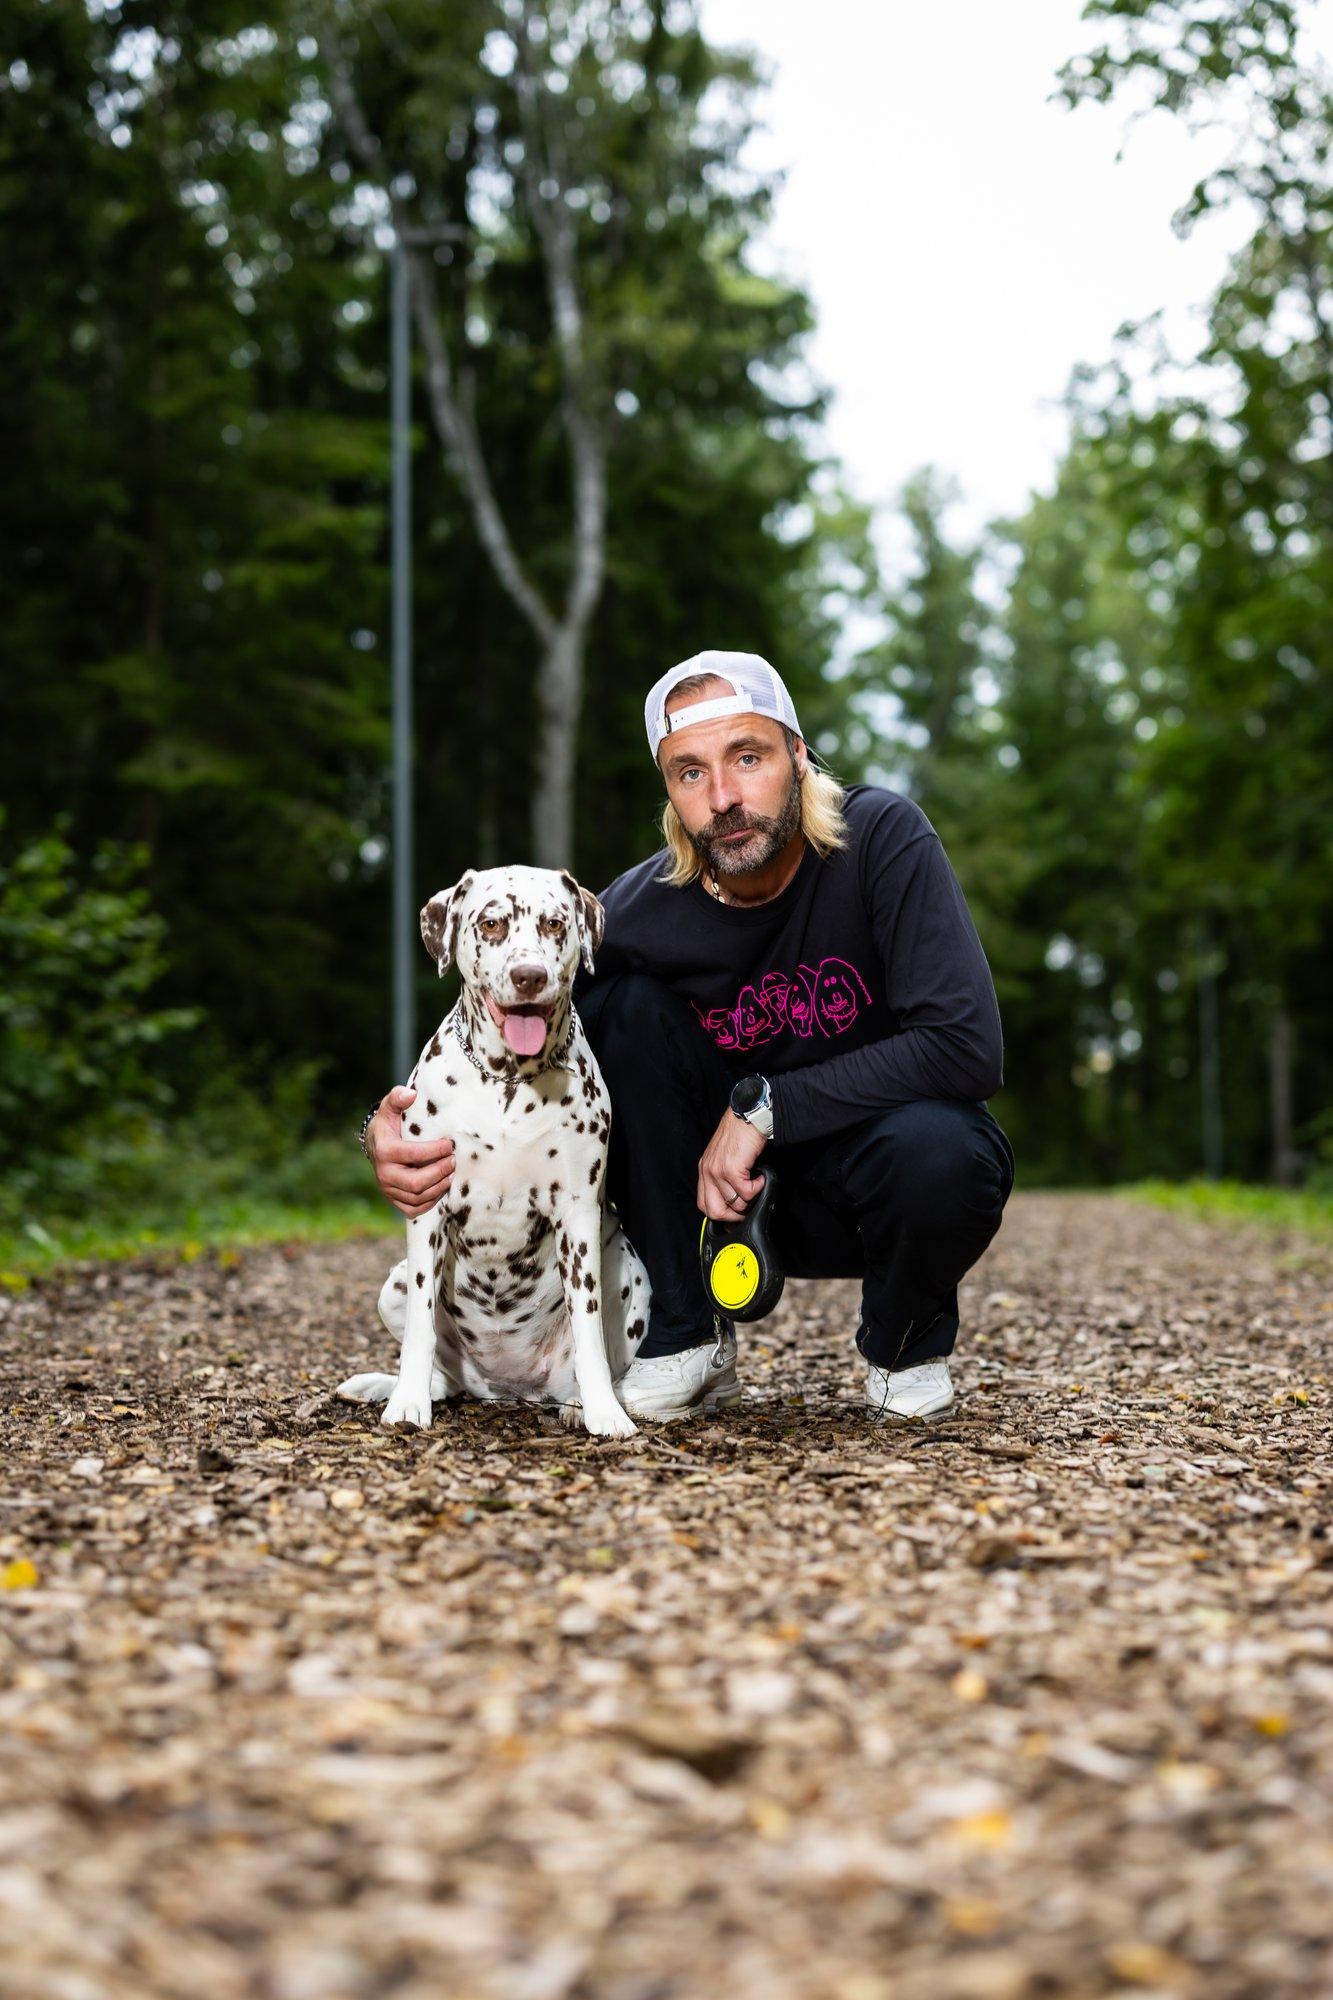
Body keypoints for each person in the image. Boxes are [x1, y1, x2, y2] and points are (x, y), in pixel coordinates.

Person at [363, 650, 1015, 1426]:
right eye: (691, 773)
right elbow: (502, 1033)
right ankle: (684, 1332)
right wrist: (391, 1125)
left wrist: (763, 1108)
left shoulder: (878, 840)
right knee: (623, 1011)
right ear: (670, 794)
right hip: (705, 1206)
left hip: (866, 1187)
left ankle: (904, 1345)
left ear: (798, 757)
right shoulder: (626, 913)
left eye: (748, 757)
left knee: (947, 1149)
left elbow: (965, 1044)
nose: (726, 798)